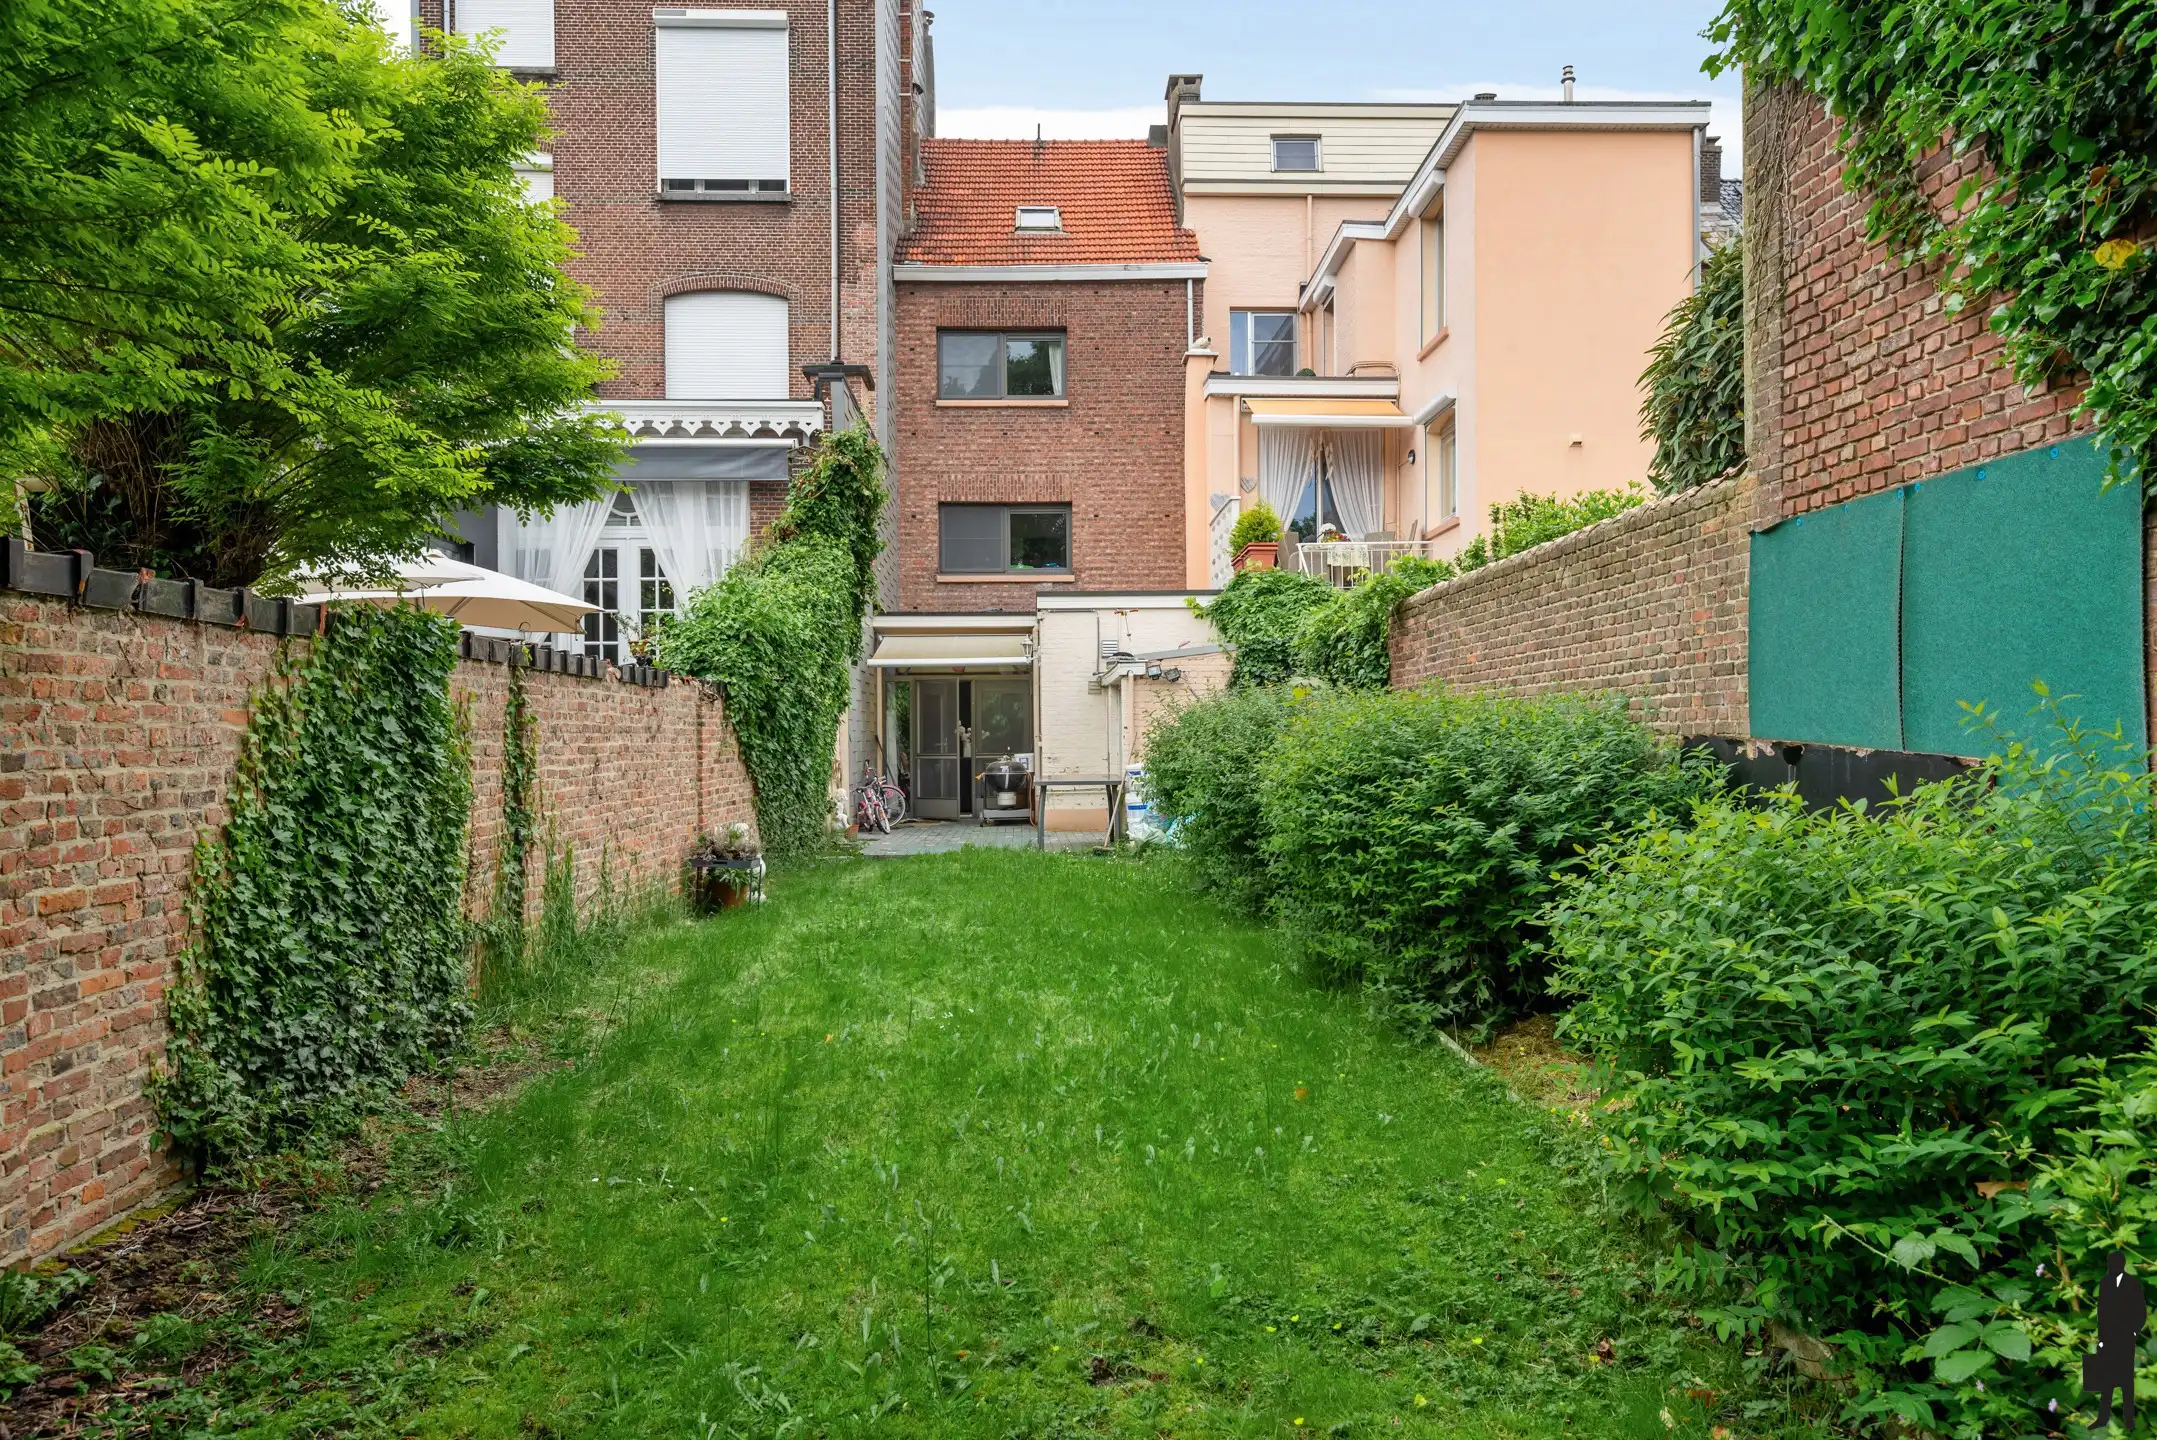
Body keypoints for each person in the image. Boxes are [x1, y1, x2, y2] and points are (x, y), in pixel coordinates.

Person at [2083, 1251, 2145, 1431]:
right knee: (2106, 1379)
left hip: (2125, 1338)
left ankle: (2129, 1422)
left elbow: (2141, 1310)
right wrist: (2101, 1339)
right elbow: (2102, 1312)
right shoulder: (2105, 1283)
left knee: (2127, 1381)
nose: (2111, 1266)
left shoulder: (2132, 1283)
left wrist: (2134, 1332)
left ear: (2122, 1264)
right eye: (2109, 1263)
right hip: (2108, 1339)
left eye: (2115, 1263)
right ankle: (2102, 1419)